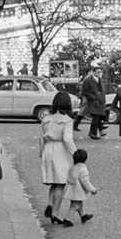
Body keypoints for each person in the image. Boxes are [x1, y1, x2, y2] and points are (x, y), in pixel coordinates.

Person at [40, 91, 77, 226]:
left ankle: (50, 204)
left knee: (53, 182)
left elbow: (41, 137)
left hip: (48, 149)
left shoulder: (46, 119)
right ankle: (55, 212)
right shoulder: (66, 120)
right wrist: (76, 153)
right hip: (60, 150)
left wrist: (41, 153)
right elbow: (67, 139)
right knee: (60, 183)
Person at [61, 148, 98, 226]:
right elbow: (85, 182)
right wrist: (92, 189)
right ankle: (68, 219)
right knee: (75, 205)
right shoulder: (83, 169)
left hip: (71, 189)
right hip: (78, 190)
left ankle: (83, 215)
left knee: (78, 203)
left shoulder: (72, 167)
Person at [79, 65, 106, 138]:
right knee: (96, 117)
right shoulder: (88, 80)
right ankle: (93, 133)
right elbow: (84, 92)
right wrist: (93, 97)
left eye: (100, 72)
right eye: (98, 72)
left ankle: (93, 132)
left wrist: (103, 100)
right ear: (93, 72)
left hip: (100, 101)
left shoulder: (100, 79)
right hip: (92, 102)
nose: (100, 73)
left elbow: (102, 91)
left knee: (98, 117)